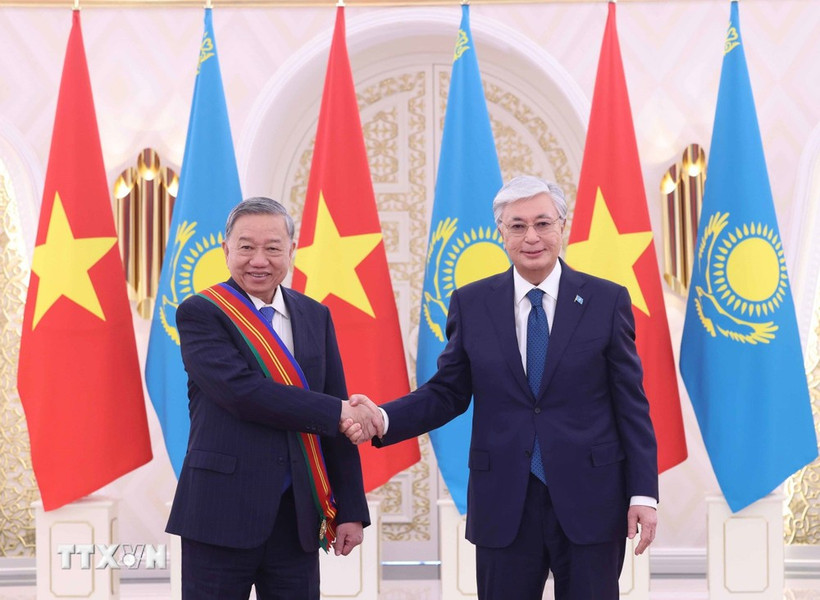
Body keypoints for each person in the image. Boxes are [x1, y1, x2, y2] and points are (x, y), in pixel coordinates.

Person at [344, 176, 659, 599]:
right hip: (505, 501)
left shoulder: (606, 301)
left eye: (543, 223)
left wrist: (643, 493)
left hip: (592, 498)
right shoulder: (472, 303)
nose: (532, 237)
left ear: (562, 227)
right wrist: (382, 418)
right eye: (518, 226)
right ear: (501, 233)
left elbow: (631, 405)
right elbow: (447, 392)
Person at [166, 196, 381, 599]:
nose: (258, 260)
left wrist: (351, 509)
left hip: (297, 514)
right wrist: (337, 410)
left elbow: (336, 417)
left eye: (272, 248)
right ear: (226, 249)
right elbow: (243, 393)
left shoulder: (314, 315)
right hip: (220, 512)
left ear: (292, 250)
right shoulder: (201, 313)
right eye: (246, 247)